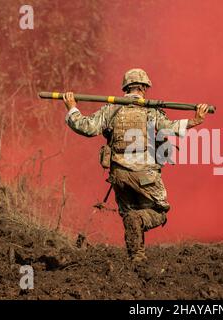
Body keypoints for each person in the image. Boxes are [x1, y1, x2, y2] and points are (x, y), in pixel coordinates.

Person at [63, 68, 208, 262]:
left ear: (126, 87)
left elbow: (87, 128)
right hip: (145, 173)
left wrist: (72, 107)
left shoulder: (111, 109)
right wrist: (195, 120)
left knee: (129, 213)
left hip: (119, 174)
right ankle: (138, 235)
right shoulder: (150, 109)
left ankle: (137, 258)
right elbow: (170, 128)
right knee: (158, 211)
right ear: (145, 88)